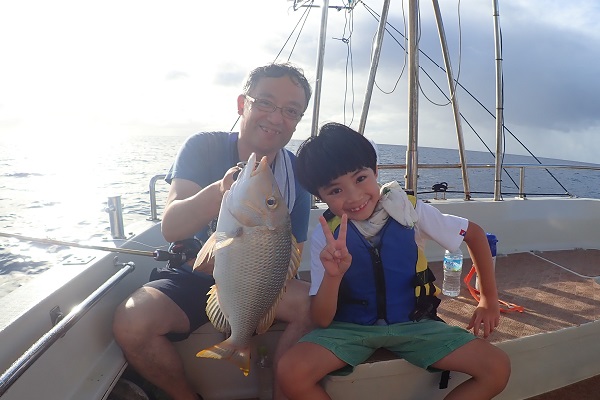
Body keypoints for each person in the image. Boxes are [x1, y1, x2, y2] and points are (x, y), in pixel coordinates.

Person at [112, 62, 314, 400]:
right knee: (131, 322)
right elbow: (171, 226)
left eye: (291, 111)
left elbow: (292, 254)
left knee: (315, 306)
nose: (277, 117)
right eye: (266, 102)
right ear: (242, 104)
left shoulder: (298, 173)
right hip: (191, 275)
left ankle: (281, 393)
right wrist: (220, 193)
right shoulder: (203, 146)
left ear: (297, 120)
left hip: (258, 283)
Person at [277, 122, 511, 400]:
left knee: (497, 368)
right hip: (349, 328)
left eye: (360, 178)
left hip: (415, 323)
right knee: (290, 371)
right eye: (335, 191)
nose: (354, 196)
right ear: (320, 196)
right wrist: (333, 276)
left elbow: (474, 234)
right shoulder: (324, 237)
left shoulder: (410, 211)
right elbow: (322, 319)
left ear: (376, 171)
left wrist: (488, 299)